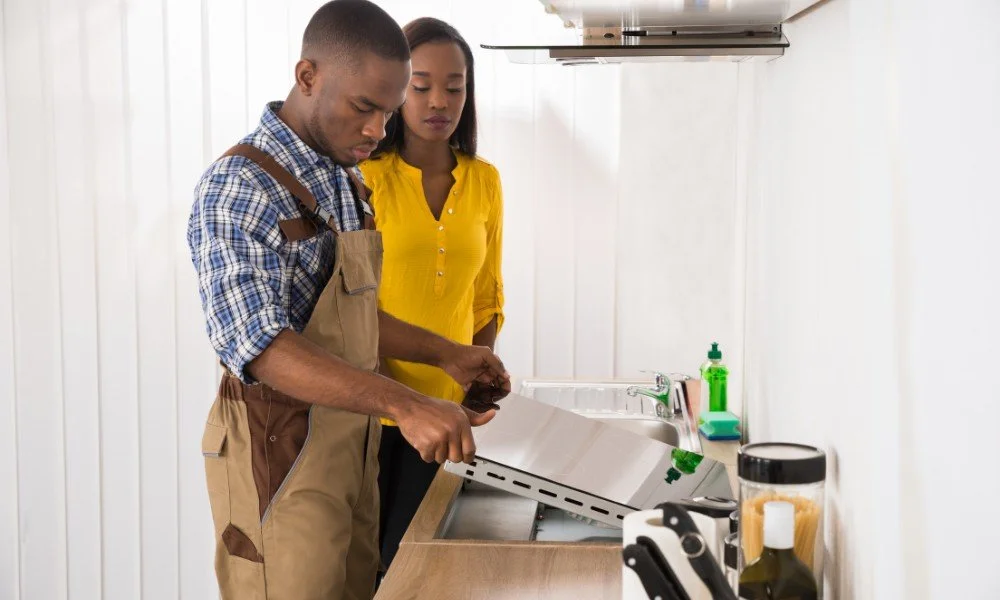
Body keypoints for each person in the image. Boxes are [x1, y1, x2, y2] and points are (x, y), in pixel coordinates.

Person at [186, 2, 509, 598]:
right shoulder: (237, 187)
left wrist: (447, 354)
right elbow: (262, 348)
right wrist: (409, 406)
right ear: (307, 76)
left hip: (352, 457)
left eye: (387, 112)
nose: (377, 130)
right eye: (364, 107)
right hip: (279, 465)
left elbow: (348, 315)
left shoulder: (339, 174)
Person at [359, 17, 506, 571]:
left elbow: (487, 295)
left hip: (448, 423)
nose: (439, 101)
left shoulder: (485, 180)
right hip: (373, 413)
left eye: (455, 86)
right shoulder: (365, 178)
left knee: (425, 565)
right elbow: (350, 311)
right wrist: (397, 399)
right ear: (397, 89)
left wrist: (474, 387)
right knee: (377, 565)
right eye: (420, 86)